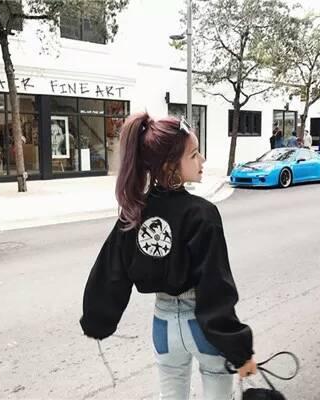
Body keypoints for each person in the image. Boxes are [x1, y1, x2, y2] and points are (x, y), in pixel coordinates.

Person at [79, 113, 257, 399]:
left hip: (163, 327)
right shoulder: (202, 214)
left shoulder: (134, 213)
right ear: (170, 165)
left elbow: (111, 271)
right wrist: (240, 351)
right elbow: (215, 289)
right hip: (202, 328)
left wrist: (97, 321)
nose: (202, 160)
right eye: (194, 154)